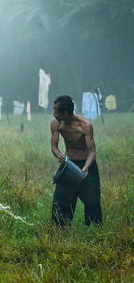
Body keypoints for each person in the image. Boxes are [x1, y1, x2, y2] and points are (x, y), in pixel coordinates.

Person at [50, 95, 102, 226]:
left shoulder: (85, 125)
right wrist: (59, 155)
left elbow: (92, 151)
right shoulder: (56, 123)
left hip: (86, 164)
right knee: (61, 200)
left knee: (92, 201)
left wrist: (85, 168)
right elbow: (53, 146)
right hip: (68, 165)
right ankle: (60, 229)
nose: (54, 115)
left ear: (65, 113)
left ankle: (94, 230)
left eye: (56, 113)